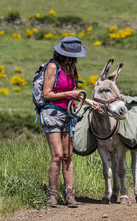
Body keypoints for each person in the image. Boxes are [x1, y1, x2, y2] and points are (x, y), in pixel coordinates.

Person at [42, 36, 100, 208]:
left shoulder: (70, 68)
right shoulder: (53, 67)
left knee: (68, 155)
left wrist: (88, 101)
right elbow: (47, 94)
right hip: (52, 113)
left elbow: (72, 91)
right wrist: (71, 94)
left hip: (69, 113)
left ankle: (69, 193)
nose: (75, 58)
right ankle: (52, 194)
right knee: (58, 155)